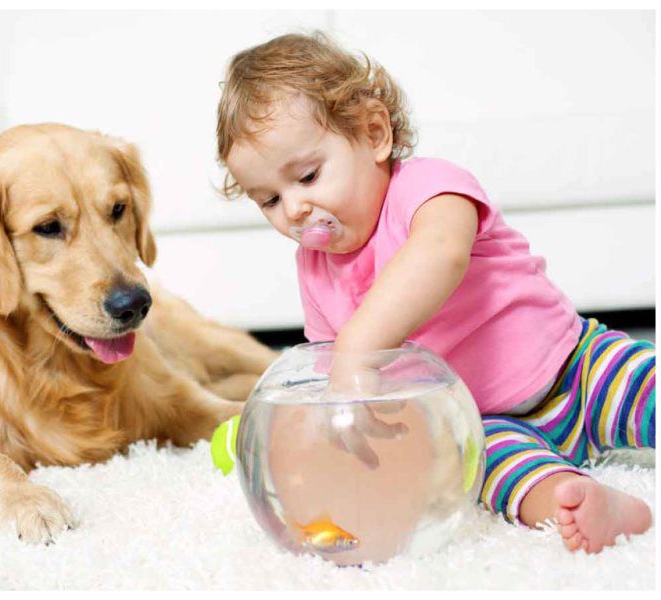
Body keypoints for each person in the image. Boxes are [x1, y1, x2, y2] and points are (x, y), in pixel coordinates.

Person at [215, 31, 654, 554]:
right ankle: (582, 501)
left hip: (577, 365)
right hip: (486, 420)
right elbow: (331, 372)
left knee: (641, 385)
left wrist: (359, 345)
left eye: (308, 176)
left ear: (374, 133)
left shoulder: (429, 189)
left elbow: (441, 255)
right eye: (269, 199)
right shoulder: (314, 267)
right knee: (495, 477)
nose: (294, 210)